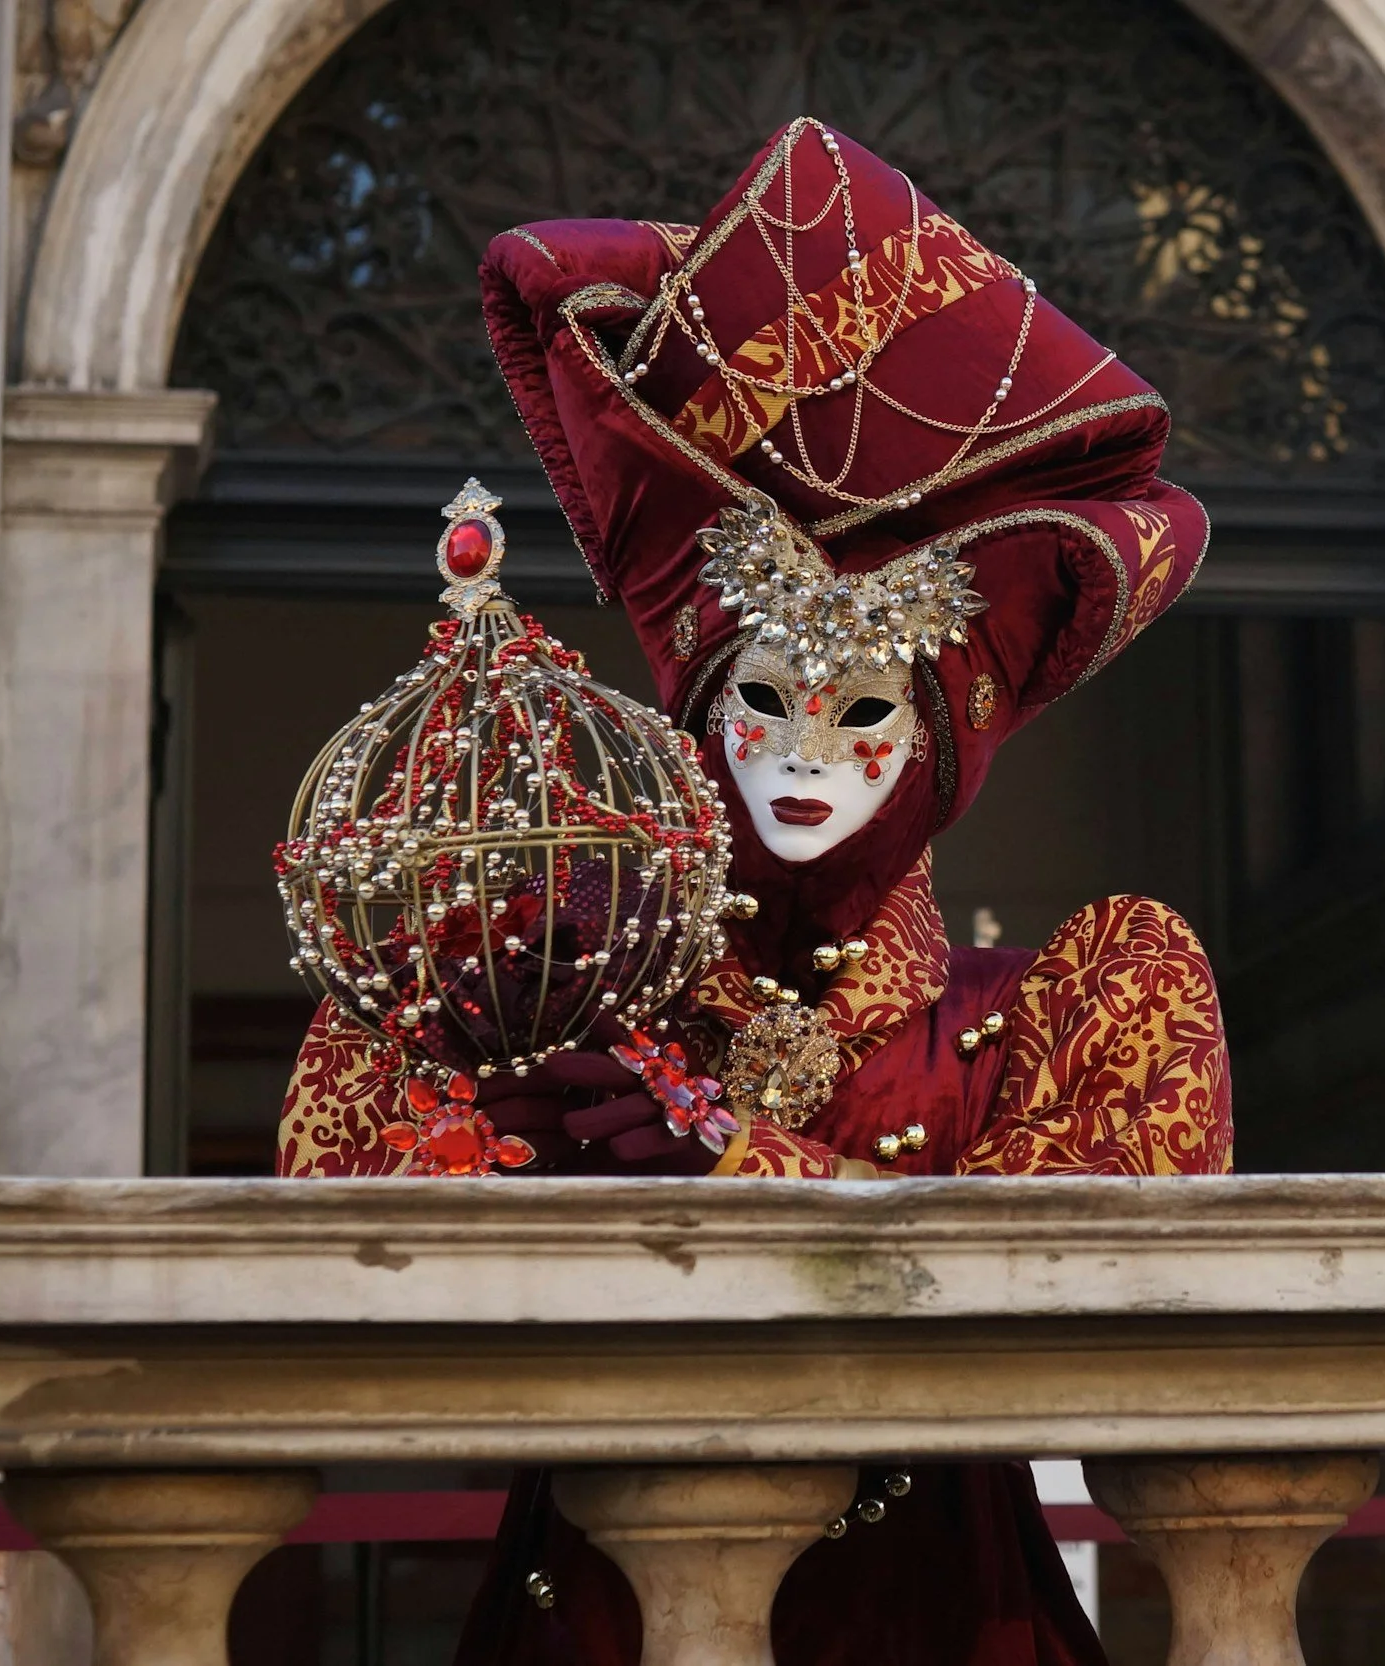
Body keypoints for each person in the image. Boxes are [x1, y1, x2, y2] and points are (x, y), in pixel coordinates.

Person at [274, 117, 1231, 1665]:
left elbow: (1114, 1293)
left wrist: (746, 1163)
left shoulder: (1070, 1000)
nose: (805, 753)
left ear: (939, 752)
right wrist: (499, 1126)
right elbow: (335, 1244)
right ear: (698, 717)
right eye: (763, 703)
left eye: (864, 711)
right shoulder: (569, 991)